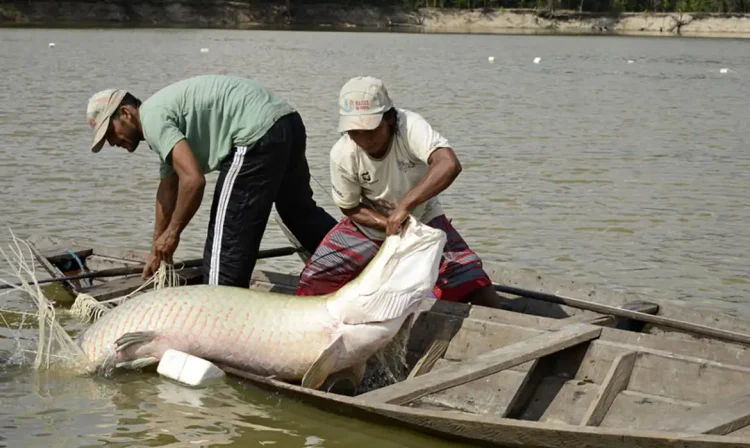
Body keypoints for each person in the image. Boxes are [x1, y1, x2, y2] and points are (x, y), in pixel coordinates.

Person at [86, 74, 337, 287]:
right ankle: (358, 261)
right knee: (299, 213)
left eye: (110, 132)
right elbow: (168, 188)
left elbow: (193, 181)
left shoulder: (153, 120)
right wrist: (156, 249)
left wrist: (173, 234)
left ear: (126, 113)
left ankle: (221, 314)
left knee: (225, 246)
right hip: (287, 121)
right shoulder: (160, 115)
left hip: (255, 134)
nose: (112, 142)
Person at [294, 76, 505, 308]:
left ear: (390, 119)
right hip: (367, 226)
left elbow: (448, 164)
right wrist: (386, 223)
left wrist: (405, 207)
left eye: (370, 129)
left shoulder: (410, 126)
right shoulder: (342, 153)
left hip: (423, 220)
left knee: (474, 284)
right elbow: (350, 206)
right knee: (313, 280)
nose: (363, 139)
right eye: (355, 131)